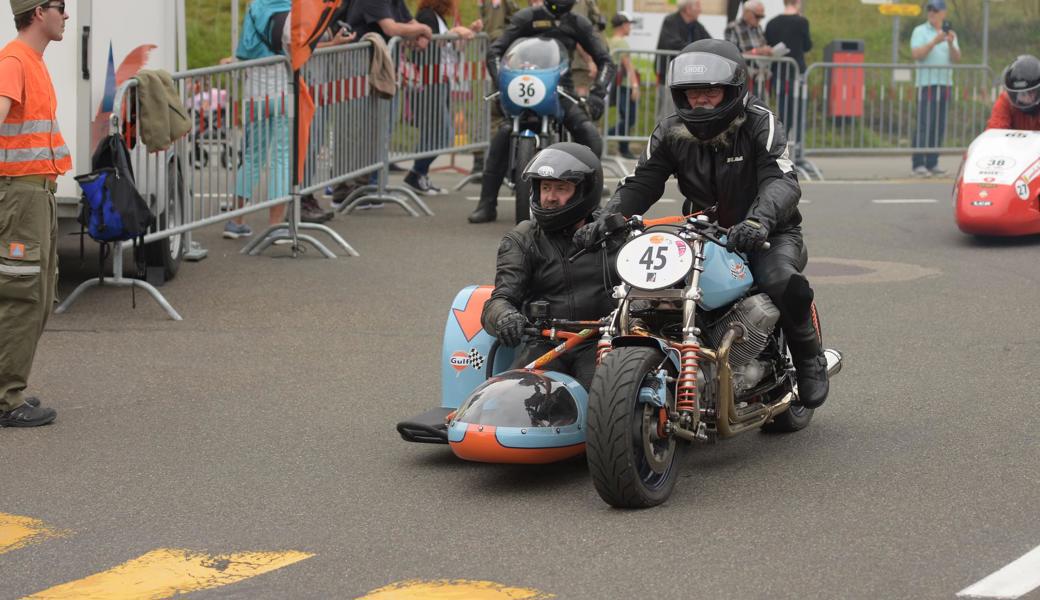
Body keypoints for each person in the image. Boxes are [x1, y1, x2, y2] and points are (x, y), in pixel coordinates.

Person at [573, 39, 830, 409]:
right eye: (692, 92)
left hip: (768, 232)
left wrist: (758, 222)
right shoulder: (670, 132)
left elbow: (782, 181)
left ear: (732, 89)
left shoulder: (761, 123)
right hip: (701, 233)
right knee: (637, 285)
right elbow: (642, 182)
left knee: (781, 281)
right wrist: (606, 218)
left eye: (709, 91)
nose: (701, 100)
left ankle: (809, 358)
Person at [468, 0, 615, 224]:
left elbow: (605, 61)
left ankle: (592, 203)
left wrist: (597, 94)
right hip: (526, 87)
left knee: (588, 133)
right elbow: (495, 51)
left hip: (561, 90)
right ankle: (487, 203)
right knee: (503, 134)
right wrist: (502, 84)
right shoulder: (527, 17)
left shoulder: (578, 22)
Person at [481, 143, 614, 389]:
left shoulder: (613, 236)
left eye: (561, 188)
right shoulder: (523, 238)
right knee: (515, 398)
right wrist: (504, 317)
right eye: (545, 187)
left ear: (586, 190)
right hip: (546, 343)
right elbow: (498, 301)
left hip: (600, 343)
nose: (550, 197)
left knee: (601, 395)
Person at [0, 0, 70, 427]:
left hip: (37, 195)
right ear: (39, 11)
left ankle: (9, 389)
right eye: (62, 7)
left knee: (37, 297)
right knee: (21, 297)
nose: (67, 16)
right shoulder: (14, 60)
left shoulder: (33, 62)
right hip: (20, 197)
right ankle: (7, 400)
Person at [222, 0, 297, 238]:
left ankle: (236, 220)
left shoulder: (254, 8)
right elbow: (295, 49)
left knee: (252, 156)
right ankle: (275, 227)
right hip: (282, 90)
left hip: (253, 92)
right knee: (281, 157)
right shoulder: (288, 12)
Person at [408, 0, 478, 195]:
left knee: (437, 133)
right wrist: (455, 34)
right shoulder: (427, 16)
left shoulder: (437, 18)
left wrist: (466, 32)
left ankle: (419, 174)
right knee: (441, 133)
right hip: (429, 82)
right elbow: (429, 43)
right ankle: (416, 173)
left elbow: (452, 48)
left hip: (440, 81)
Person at [470, 0, 522, 176]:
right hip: (503, 59)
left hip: (505, 58)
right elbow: (495, 31)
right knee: (496, 110)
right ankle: (484, 162)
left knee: (497, 111)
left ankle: (488, 161)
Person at [909, 0, 959, 177]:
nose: (931, 12)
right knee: (924, 124)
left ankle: (932, 162)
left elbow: (957, 59)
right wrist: (934, 42)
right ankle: (918, 163)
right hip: (926, 84)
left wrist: (951, 43)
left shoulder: (950, 34)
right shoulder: (920, 31)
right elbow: (917, 55)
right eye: (929, 9)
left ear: (943, 13)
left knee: (938, 125)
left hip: (944, 84)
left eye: (935, 9)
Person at [655, 0, 711, 118]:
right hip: (669, 75)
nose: (700, 10)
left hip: (689, 76)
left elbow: (709, 42)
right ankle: (660, 134)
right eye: (698, 7)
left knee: (686, 109)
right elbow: (672, 43)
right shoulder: (670, 21)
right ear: (688, 9)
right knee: (666, 109)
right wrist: (696, 49)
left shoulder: (697, 25)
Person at [764, 0, 811, 137]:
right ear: (797, 2)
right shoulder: (802, 22)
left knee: (782, 111)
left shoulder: (771, 23)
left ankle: (780, 144)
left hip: (778, 72)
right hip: (796, 72)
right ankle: (797, 146)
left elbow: (768, 44)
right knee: (799, 110)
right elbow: (807, 46)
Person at [606, 11, 640, 160]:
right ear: (622, 25)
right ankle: (610, 139)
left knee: (625, 117)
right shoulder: (621, 42)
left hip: (616, 85)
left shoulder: (609, 40)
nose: (630, 28)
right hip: (625, 85)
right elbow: (628, 66)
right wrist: (635, 85)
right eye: (628, 25)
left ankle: (615, 142)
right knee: (629, 118)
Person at [986, 54, 1040, 131]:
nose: (1026, 98)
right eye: (1021, 94)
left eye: (1030, 92)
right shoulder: (1005, 101)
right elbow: (995, 132)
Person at [568, 0, 606, 98]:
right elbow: (577, 32)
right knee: (581, 99)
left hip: (589, 60)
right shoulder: (580, 3)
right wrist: (589, 60)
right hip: (581, 64)